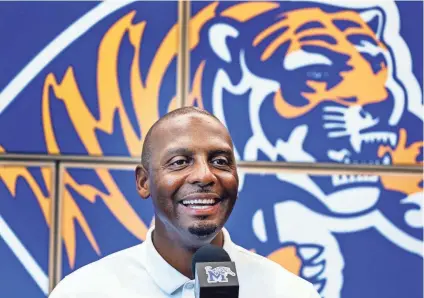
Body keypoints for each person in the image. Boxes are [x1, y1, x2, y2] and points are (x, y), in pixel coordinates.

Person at [49, 107, 321, 298]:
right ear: (144, 182)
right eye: (180, 162)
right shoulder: (83, 292)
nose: (205, 174)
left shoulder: (291, 293)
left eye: (220, 161)